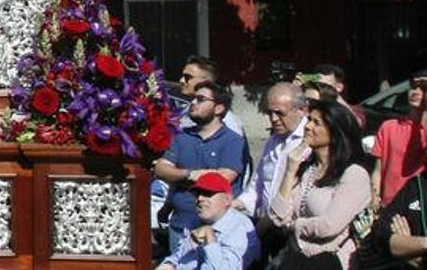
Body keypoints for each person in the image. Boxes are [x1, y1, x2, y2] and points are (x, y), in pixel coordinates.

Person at [270, 98, 373, 269]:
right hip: (296, 259)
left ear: (335, 133)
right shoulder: (305, 169)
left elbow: (329, 225)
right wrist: (290, 170)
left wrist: (295, 225)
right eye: (309, 120)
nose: (308, 126)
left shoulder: (354, 174)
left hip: (329, 262)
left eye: (316, 123)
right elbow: (277, 216)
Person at [157, 81, 252, 253]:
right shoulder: (182, 136)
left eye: (200, 99)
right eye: (193, 98)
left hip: (215, 230)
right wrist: (189, 175)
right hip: (180, 225)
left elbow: (222, 179)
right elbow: (161, 170)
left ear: (219, 109)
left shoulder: (233, 141)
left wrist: (176, 176)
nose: (193, 103)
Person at [239, 83, 310, 266]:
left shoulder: (310, 141)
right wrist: (236, 204)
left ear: (302, 110)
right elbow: (258, 183)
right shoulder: (273, 141)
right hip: (266, 230)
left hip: (291, 233)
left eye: (280, 113)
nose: (273, 119)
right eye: (269, 112)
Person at [158, 171, 261, 270]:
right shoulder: (195, 221)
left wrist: (210, 239)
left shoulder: (239, 227)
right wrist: (169, 264)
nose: (200, 198)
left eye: (208, 193)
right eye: (197, 193)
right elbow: (178, 256)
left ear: (227, 199)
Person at [372, 70, 427, 208]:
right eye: (413, 86)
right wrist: (375, 197)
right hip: (389, 205)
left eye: (424, 88)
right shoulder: (388, 127)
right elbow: (378, 170)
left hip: (418, 206)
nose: (416, 91)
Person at [311, 64, 367, 129]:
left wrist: (338, 100)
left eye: (324, 86)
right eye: (315, 85)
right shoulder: (307, 109)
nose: (319, 89)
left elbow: (357, 125)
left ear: (339, 87)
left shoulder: (355, 111)